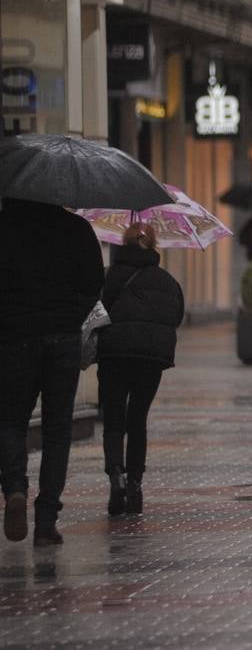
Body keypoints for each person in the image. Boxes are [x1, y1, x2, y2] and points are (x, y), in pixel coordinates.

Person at [0, 197, 104, 547]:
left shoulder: (6, 226)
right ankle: (46, 521)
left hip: (14, 337)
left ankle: (14, 489)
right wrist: (69, 315)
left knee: (11, 420)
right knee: (57, 429)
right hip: (62, 337)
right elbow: (93, 283)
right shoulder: (75, 228)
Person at [97, 223, 185, 517]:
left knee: (113, 416)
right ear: (154, 245)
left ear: (123, 243)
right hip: (151, 358)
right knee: (137, 417)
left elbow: (95, 312)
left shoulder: (109, 278)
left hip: (114, 354)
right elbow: (176, 316)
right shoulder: (168, 282)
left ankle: (115, 477)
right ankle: (135, 483)